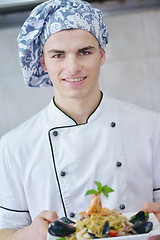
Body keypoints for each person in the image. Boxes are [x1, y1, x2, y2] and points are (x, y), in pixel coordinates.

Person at [0, 0, 160, 239]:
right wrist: (31, 233)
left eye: (84, 52)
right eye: (58, 55)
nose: (72, 67)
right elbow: (5, 231)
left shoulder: (151, 127)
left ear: (102, 55)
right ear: (43, 62)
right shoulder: (15, 145)